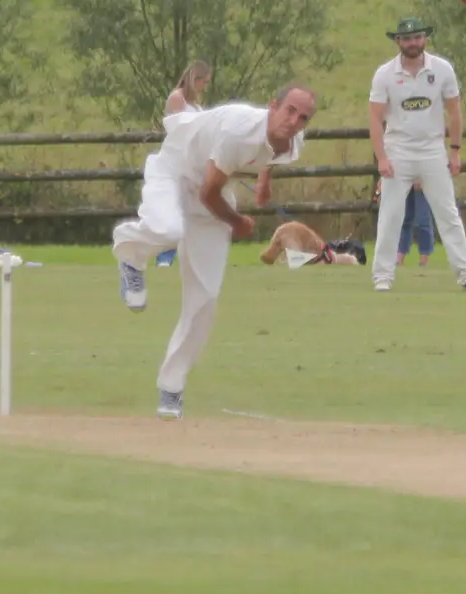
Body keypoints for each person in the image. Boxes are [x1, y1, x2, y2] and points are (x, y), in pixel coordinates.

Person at [113, 86, 315, 419]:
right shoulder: (238, 131)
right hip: (175, 174)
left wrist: (265, 180)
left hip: (212, 190)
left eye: (303, 117)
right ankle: (130, 253)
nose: (294, 121)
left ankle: (172, 387)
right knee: (168, 230)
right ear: (273, 105)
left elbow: (270, 153)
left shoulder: (293, 141)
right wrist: (238, 222)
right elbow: (209, 193)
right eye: (289, 111)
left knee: (205, 299)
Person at [368, 16, 466, 294]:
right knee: (390, 215)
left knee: (448, 214)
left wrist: (455, 151)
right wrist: (382, 158)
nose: (413, 43)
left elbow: (454, 111)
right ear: (398, 41)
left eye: (418, 37)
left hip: (433, 150)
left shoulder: (442, 69)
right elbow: (374, 119)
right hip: (398, 150)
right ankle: (382, 276)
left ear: (425, 39)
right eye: (407, 38)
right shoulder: (385, 74)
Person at [155, 61, 213, 268]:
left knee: (194, 212)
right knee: (174, 209)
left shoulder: (196, 105)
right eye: (203, 82)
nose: (204, 86)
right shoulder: (177, 98)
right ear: (195, 79)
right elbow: (178, 130)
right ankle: (164, 257)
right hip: (177, 162)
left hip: (194, 164)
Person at [260, 218, 367, 267]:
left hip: (320, 255)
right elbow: (295, 260)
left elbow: (268, 258)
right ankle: (353, 262)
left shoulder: (283, 233)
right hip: (322, 256)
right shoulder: (288, 234)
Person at [397, 183, 436, 269]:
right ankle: (400, 255)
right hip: (406, 180)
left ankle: (424, 257)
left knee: (423, 219)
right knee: (405, 218)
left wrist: (420, 176)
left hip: (423, 179)